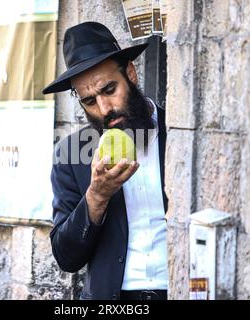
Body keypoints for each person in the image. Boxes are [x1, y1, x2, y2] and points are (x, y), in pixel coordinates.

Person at [43, 21, 168, 300]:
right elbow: (66, 258)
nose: (104, 109)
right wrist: (96, 197)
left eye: (110, 89)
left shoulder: (179, 133)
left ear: (131, 74)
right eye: (89, 101)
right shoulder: (71, 154)